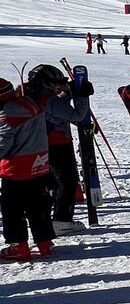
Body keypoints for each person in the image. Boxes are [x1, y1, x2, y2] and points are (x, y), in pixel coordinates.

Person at [25, 65, 91, 234]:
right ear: (46, 84)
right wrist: (82, 97)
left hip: (40, 145)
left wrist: (68, 94)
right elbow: (77, 116)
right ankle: (62, 221)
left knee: (50, 182)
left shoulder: (32, 97)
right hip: (58, 144)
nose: (58, 88)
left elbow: (57, 107)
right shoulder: (50, 101)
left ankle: (47, 219)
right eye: (55, 84)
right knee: (67, 182)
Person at [0, 78, 54, 260]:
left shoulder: (6, 113)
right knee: (38, 205)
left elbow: (4, 143)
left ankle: (19, 245)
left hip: (16, 168)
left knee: (12, 209)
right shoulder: (29, 103)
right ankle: (44, 241)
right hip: (39, 164)